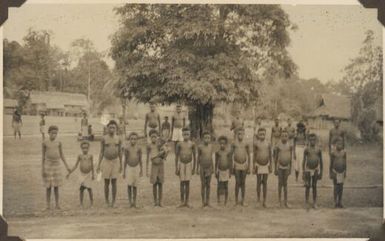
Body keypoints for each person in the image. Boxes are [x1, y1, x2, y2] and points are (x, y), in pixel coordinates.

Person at [42, 125, 71, 210]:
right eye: (52, 133)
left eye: (56, 133)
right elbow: (43, 157)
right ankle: (47, 205)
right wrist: (43, 169)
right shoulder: (45, 142)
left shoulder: (59, 142)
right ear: (48, 133)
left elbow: (62, 155)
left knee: (56, 186)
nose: (54, 135)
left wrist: (67, 166)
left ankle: (57, 204)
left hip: (57, 165)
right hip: (48, 165)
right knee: (48, 187)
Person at [97, 120, 122, 208]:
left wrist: (121, 165)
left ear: (116, 129)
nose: (112, 129)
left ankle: (114, 201)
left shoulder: (118, 138)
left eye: (113, 127)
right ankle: (107, 201)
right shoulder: (104, 138)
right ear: (107, 128)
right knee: (106, 182)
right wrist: (98, 164)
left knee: (114, 182)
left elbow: (120, 152)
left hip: (115, 161)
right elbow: (101, 152)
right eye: (110, 127)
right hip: (106, 161)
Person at [67, 141, 94, 207]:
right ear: (81, 148)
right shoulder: (80, 156)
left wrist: (93, 174)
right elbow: (76, 165)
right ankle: (81, 203)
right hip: (82, 175)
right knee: (81, 189)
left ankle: (91, 203)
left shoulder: (90, 156)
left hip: (88, 175)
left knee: (89, 189)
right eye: (83, 148)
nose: (85, 149)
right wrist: (70, 172)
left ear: (89, 148)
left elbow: (92, 165)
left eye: (86, 148)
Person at [175, 127, 196, 208]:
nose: (186, 136)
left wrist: (194, 168)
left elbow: (195, 156)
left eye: (187, 134)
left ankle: (187, 201)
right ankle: (181, 201)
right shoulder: (179, 144)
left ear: (190, 134)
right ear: (182, 134)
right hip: (181, 164)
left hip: (188, 164)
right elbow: (176, 157)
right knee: (182, 182)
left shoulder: (192, 144)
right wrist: (176, 167)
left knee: (187, 183)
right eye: (184, 134)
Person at [146, 130, 168, 207]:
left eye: (155, 136)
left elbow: (165, 156)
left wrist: (164, 152)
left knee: (160, 183)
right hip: (154, 166)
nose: (154, 138)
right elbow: (148, 157)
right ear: (150, 137)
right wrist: (146, 170)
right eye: (152, 137)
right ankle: (155, 201)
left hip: (161, 165)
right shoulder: (149, 146)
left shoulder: (161, 145)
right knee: (154, 183)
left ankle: (160, 201)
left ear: (157, 137)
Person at [253, 128, 272, 208]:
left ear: (265, 134)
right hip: (258, 164)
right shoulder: (256, 143)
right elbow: (254, 155)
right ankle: (258, 199)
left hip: (266, 165)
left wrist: (271, 165)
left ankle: (264, 200)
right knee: (258, 182)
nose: (262, 136)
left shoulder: (268, 143)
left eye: (263, 134)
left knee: (265, 183)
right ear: (258, 135)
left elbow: (270, 155)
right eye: (260, 134)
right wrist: (253, 166)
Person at [303, 133, 323, 209]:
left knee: (314, 186)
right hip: (308, 169)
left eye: (314, 140)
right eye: (311, 140)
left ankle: (314, 202)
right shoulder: (306, 149)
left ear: (316, 140)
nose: (312, 141)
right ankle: (307, 202)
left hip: (315, 169)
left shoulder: (318, 150)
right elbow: (303, 161)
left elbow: (321, 162)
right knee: (307, 186)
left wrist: (321, 172)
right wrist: (303, 172)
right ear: (309, 140)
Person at [274, 130, 294, 208]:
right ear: (280, 137)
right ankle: (279, 201)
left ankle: (286, 201)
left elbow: (291, 158)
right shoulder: (278, 145)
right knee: (280, 183)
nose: (284, 137)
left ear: (288, 137)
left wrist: (290, 168)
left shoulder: (290, 145)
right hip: (280, 167)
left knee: (285, 184)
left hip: (287, 167)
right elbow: (275, 158)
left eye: (286, 136)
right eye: (283, 136)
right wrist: (275, 168)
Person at [123, 132, 143, 208]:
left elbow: (140, 159)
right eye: (131, 139)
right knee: (129, 185)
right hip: (129, 167)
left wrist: (141, 169)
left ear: (137, 140)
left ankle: (134, 202)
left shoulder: (139, 148)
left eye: (135, 139)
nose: (133, 141)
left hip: (136, 167)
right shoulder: (127, 148)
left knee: (135, 185)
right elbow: (125, 160)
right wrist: (124, 171)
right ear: (129, 140)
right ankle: (129, 202)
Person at [231, 128, 251, 206]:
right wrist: (232, 166)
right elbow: (231, 155)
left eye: (242, 134)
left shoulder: (246, 143)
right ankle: (236, 200)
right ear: (236, 135)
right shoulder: (234, 143)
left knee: (243, 183)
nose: (240, 135)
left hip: (244, 165)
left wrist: (248, 166)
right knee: (237, 182)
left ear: (244, 134)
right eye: (239, 134)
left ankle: (243, 200)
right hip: (236, 165)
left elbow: (249, 155)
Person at [197, 131, 214, 207]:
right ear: (202, 138)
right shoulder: (200, 147)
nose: (207, 139)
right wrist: (197, 168)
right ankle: (203, 202)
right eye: (205, 137)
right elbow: (198, 158)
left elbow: (211, 157)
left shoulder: (211, 146)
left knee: (208, 184)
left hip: (209, 167)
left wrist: (212, 167)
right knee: (203, 184)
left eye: (208, 138)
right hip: (202, 168)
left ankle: (208, 201)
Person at [215, 136, 232, 206]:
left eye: (224, 144)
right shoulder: (218, 152)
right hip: (220, 171)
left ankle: (226, 200)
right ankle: (218, 199)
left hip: (226, 171)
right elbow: (216, 162)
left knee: (226, 186)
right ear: (219, 144)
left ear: (226, 144)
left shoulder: (228, 152)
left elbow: (230, 162)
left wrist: (230, 171)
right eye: (221, 143)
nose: (222, 145)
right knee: (219, 186)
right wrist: (216, 171)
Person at [329, 139, 346, 208]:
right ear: (335, 145)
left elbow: (345, 163)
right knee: (336, 187)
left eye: (341, 144)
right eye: (338, 144)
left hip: (342, 172)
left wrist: (345, 172)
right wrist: (331, 173)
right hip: (335, 172)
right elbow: (331, 163)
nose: (339, 146)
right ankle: (335, 202)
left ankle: (340, 201)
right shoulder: (333, 153)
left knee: (341, 187)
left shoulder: (344, 153)